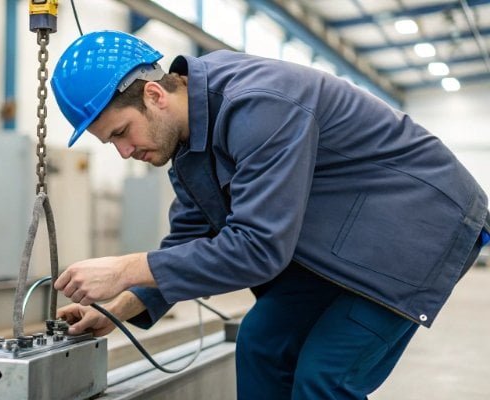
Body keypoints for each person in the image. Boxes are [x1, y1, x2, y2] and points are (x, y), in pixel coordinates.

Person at [49, 30, 490, 399]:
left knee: (325, 375)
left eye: (122, 132)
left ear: (154, 94)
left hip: (415, 228)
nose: (125, 152)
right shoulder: (185, 143)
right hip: (340, 239)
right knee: (260, 341)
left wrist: (125, 268)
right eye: (111, 143)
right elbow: (190, 239)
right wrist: (117, 311)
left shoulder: (259, 103)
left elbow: (258, 248)